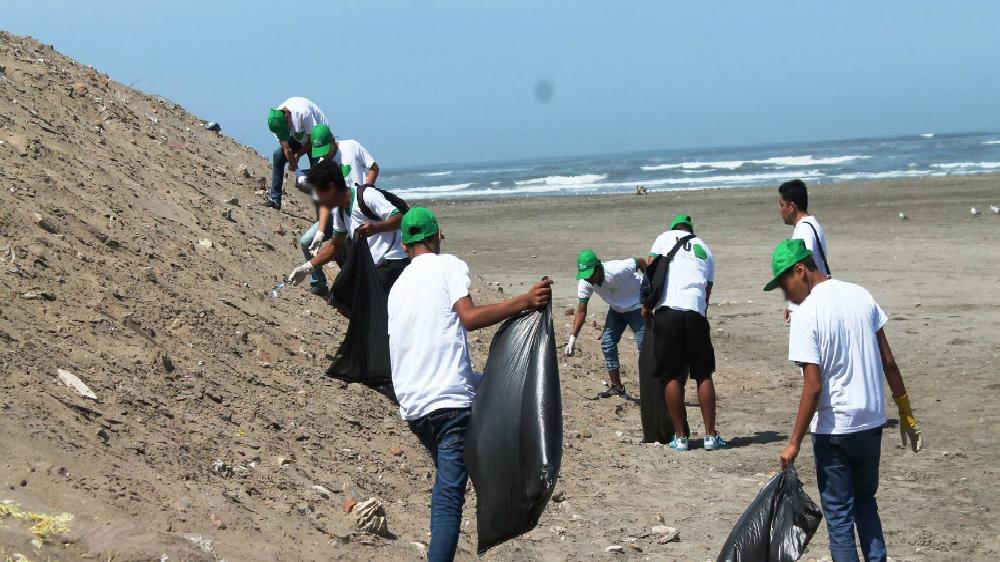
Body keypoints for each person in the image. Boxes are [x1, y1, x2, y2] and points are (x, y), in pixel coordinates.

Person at [387, 207, 552, 562]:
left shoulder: (397, 287)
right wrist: (523, 301)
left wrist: (487, 384)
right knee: (449, 497)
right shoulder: (449, 266)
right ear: (436, 238)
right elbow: (470, 318)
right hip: (450, 408)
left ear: (404, 245)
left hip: (416, 408)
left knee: (459, 479)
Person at [765, 238, 923, 562]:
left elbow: (813, 386)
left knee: (839, 516)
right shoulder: (860, 295)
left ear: (801, 270)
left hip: (834, 429)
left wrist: (793, 442)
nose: (786, 295)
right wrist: (905, 411)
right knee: (866, 502)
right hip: (871, 422)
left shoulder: (806, 314)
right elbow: (889, 362)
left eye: (785, 285)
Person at [645, 214, 728, 452]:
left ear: (673, 228)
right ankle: (711, 436)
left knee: (672, 375)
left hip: (668, 312)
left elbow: (651, 271)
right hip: (695, 313)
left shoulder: (663, 238)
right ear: (691, 230)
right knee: (703, 374)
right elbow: (707, 289)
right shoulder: (705, 248)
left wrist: (647, 306)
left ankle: (680, 437)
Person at [287, 144, 406, 296]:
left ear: (330, 188)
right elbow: (334, 246)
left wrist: (376, 228)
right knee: (340, 297)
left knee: (372, 308)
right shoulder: (339, 211)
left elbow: (398, 218)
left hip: (392, 262)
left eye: (319, 194)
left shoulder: (366, 195)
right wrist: (307, 268)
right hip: (373, 266)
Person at [565, 249, 646, 398]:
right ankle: (617, 387)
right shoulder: (585, 283)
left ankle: (652, 389)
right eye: (584, 276)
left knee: (645, 349)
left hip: (638, 307)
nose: (587, 279)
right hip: (616, 310)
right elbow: (581, 311)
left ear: (598, 267)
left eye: (589, 275)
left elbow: (640, 261)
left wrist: (650, 288)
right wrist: (573, 338)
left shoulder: (616, 270)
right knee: (607, 343)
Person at [778, 179, 830, 324]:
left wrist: (793, 305)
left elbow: (803, 269)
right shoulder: (812, 224)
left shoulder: (803, 230)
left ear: (792, 206)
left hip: (812, 303)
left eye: (782, 205)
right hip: (820, 298)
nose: (780, 210)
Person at [265, 97, 328, 209]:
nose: (286, 131)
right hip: (299, 138)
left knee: (318, 170)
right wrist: (296, 169)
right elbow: (286, 149)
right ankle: (275, 200)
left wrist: (298, 155)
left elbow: (311, 140)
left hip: (316, 137)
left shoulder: (303, 113)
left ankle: (323, 210)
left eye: (286, 128)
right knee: (278, 156)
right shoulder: (276, 122)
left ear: (287, 116)